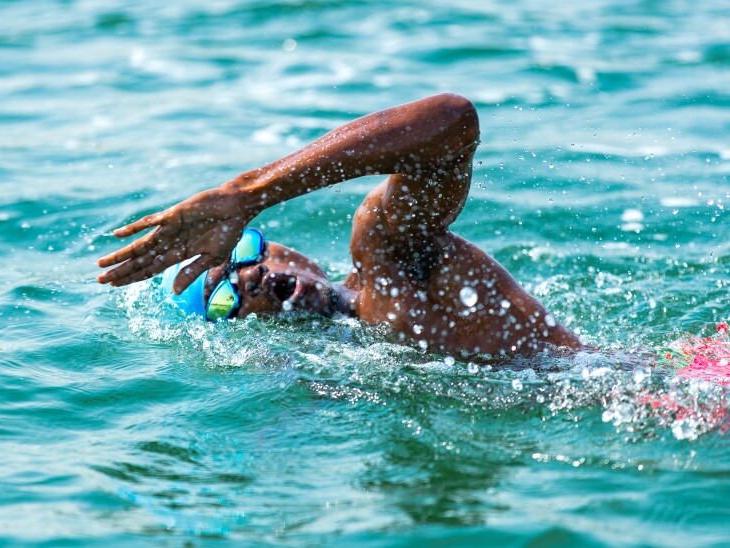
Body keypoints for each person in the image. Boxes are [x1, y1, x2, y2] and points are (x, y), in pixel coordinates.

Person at [96, 93, 582, 356]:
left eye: (240, 254)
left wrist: (246, 194)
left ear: (287, 252)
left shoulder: (389, 259)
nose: (248, 277)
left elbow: (453, 122)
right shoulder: (336, 377)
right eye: (223, 298)